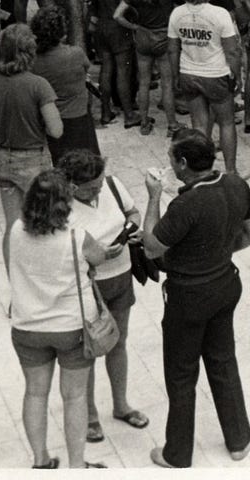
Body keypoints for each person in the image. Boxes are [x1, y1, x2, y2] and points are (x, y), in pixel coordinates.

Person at [140, 131, 250, 468]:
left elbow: (152, 247)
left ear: (182, 164)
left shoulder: (185, 204)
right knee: (223, 360)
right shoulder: (236, 184)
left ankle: (177, 453)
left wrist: (152, 198)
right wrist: (219, 254)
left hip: (188, 295)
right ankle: (238, 439)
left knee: (181, 374)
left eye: (171, 160)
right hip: (225, 284)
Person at [7, 169, 113, 469]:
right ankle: (77, 465)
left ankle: (41, 460)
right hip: (72, 327)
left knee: (35, 393)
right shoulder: (77, 236)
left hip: (27, 326)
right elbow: (99, 258)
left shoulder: (16, 230)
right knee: (75, 397)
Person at [57, 151, 150, 444]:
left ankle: (121, 405)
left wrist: (133, 230)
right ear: (72, 186)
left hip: (120, 277)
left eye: (98, 184)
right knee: (88, 351)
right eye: (90, 188)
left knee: (117, 342)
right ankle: (90, 416)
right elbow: (58, 250)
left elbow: (132, 212)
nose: (97, 191)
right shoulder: (60, 207)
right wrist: (93, 255)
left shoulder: (111, 185)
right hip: (86, 287)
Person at [0, 24, 62, 268]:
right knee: (44, 224)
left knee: (12, 228)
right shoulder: (38, 85)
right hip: (35, 161)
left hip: (4, 160)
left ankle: (15, 281)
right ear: (30, 51)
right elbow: (56, 130)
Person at [168, 0, 245, 175]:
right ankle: (231, 171)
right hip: (216, 74)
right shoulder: (219, 14)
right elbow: (232, 51)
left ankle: (201, 171)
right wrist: (237, 75)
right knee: (227, 123)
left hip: (188, 73)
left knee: (199, 126)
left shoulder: (177, 14)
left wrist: (176, 76)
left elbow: (173, 49)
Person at [113, 0, 179, 136]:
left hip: (142, 37)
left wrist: (134, 26)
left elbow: (117, 15)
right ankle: (172, 125)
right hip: (164, 37)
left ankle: (144, 122)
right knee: (167, 83)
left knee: (144, 82)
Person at [30, 7, 100, 163]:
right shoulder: (76, 53)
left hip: (52, 119)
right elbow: (86, 67)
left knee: (61, 162)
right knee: (87, 162)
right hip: (79, 116)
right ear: (62, 32)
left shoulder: (33, 61)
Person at [91, 0, 138, 126]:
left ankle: (105, 111)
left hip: (101, 25)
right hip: (118, 29)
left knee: (106, 69)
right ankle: (129, 114)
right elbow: (124, 8)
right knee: (123, 72)